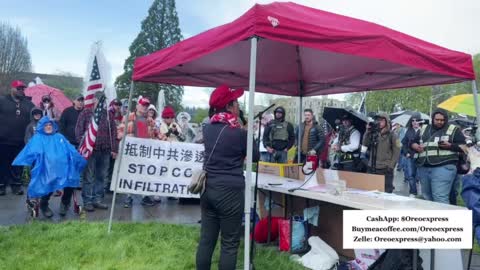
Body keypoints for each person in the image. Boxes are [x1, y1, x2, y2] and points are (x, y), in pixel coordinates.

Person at [196, 84, 259, 270]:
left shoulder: (208, 129)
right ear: (230, 107)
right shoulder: (239, 133)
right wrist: (248, 132)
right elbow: (255, 156)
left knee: (207, 240)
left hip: (208, 189)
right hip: (230, 191)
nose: (239, 105)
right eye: (236, 102)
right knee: (229, 243)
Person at [13, 116, 87, 217]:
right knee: (48, 182)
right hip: (46, 169)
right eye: (46, 125)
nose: (48, 127)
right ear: (42, 127)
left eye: (50, 125)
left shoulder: (59, 137)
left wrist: (79, 158)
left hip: (64, 168)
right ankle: (44, 205)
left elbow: (70, 149)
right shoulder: (38, 138)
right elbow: (30, 151)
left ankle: (65, 204)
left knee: (71, 180)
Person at [411, 109, 466, 204]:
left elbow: (465, 148)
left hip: (444, 167)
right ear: (433, 119)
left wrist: (451, 146)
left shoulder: (453, 130)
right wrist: (414, 145)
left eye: (442, 120)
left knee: (439, 197)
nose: (439, 122)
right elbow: (412, 142)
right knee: (427, 197)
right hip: (424, 167)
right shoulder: (424, 128)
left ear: (446, 119)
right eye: (437, 119)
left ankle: (444, 218)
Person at [75, 92, 118, 212]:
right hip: (90, 150)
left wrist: (114, 148)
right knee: (88, 177)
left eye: (103, 100)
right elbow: (78, 130)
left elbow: (114, 132)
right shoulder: (86, 113)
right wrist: (83, 146)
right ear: (94, 100)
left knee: (101, 176)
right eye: (99, 99)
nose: (101, 102)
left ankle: (97, 199)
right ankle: (87, 201)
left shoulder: (108, 114)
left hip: (105, 150)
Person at [121, 97, 157, 207]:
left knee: (145, 175)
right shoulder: (128, 117)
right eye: (143, 105)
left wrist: (167, 142)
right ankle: (128, 197)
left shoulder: (150, 120)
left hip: (145, 152)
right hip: (131, 151)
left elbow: (156, 134)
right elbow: (120, 131)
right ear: (137, 106)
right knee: (130, 174)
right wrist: (125, 142)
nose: (145, 107)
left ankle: (145, 197)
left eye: (146, 105)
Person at [0, 80, 34, 195]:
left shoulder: (29, 104)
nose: (21, 90)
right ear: (12, 88)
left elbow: (36, 117)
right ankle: (1, 185)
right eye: (18, 88)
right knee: (3, 164)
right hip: (3, 140)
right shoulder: (2, 100)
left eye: (22, 88)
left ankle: (16, 185)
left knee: (18, 164)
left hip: (21, 141)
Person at [362, 113, 400, 193]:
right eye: (378, 120)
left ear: (386, 122)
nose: (379, 122)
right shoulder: (372, 133)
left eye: (382, 120)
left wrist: (391, 166)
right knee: (370, 191)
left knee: (385, 193)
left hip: (385, 169)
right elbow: (365, 144)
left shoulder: (393, 135)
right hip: (371, 167)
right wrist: (367, 131)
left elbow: (397, 151)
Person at [401, 113, 423, 198]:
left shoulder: (423, 130)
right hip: (410, 156)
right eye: (413, 120)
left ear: (420, 121)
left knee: (422, 175)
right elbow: (404, 144)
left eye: (416, 120)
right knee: (411, 175)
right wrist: (406, 153)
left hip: (421, 156)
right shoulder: (408, 131)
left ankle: (423, 192)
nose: (414, 122)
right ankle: (413, 192)